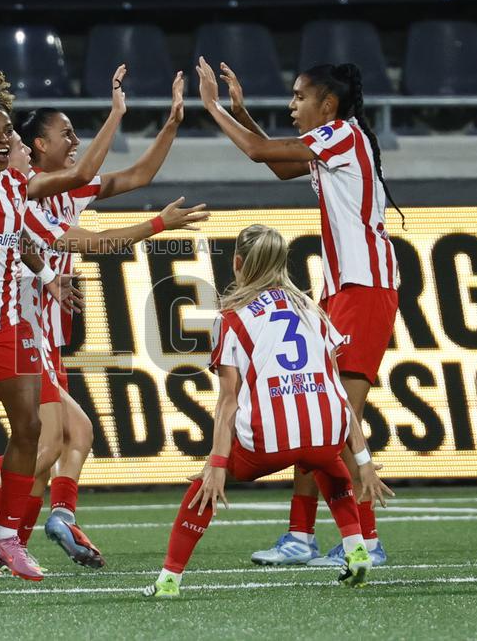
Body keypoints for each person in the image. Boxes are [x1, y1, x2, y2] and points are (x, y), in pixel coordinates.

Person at [0, 69, 188, 569]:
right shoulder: (26, 192)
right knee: (47, 441)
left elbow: (136, 177)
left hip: (44, 337)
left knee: (73, 436)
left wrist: (171, 125)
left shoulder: (62, 192)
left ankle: (40, 515)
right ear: (35, 147)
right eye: (65, 133)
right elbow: (95, 241)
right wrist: (158, 222)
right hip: (15, 335)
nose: (75, 141)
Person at [195, 57, 401, 568]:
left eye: (298, 97)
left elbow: (258, 152)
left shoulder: (341, 135)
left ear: (326, 105)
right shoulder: (333, 142)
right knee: (312, 416)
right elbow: (279, 161)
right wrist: (243, 114)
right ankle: (300, 537)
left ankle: (367, 541)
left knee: (334, 419)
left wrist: (214, 108)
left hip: (364, 287)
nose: (291, 106)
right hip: (342, 289)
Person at [143, 224, 394, 597]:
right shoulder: (315, 311)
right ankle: (356, 547)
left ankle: (169, 578)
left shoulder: (232, 318)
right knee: (323, 457)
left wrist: (215, 465)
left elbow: (229, 399)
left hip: (268, 440)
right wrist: (364, 459)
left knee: (204, 485)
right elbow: (336, 390)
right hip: (329, 431)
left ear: (238, 263)